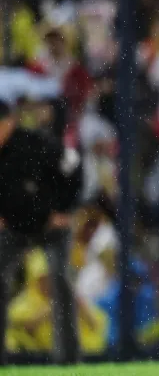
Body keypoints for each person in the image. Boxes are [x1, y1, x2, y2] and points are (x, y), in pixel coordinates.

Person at [0, 98, 83, 364]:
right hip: (15, 225)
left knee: (59, 279)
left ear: (9, 121)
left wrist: (66, 209)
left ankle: (68, 359)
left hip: (50, 225)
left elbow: (73, 166)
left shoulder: (36, 143)